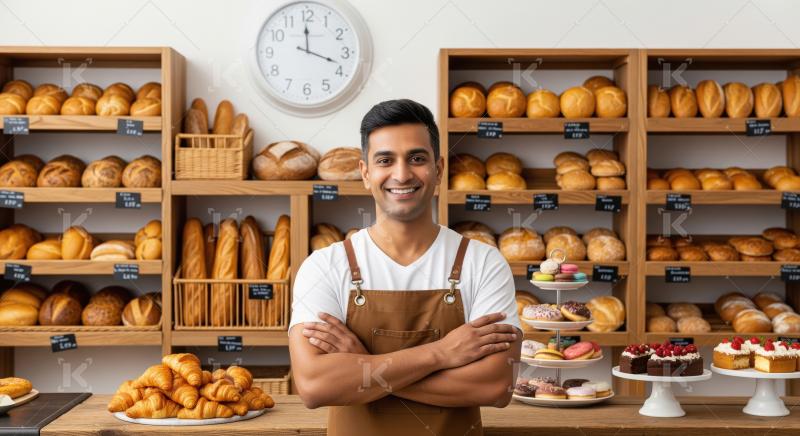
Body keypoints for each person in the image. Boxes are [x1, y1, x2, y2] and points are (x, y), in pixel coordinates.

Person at [289, 99, 521, 436]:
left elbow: (496, 387)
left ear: (439, 169)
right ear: (366, 173)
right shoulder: (325, 265)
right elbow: (314, 386)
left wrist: (365, 364)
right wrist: (442, 353)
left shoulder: (483, 263)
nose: (401, 174)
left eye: (417, 158)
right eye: (385, 160)